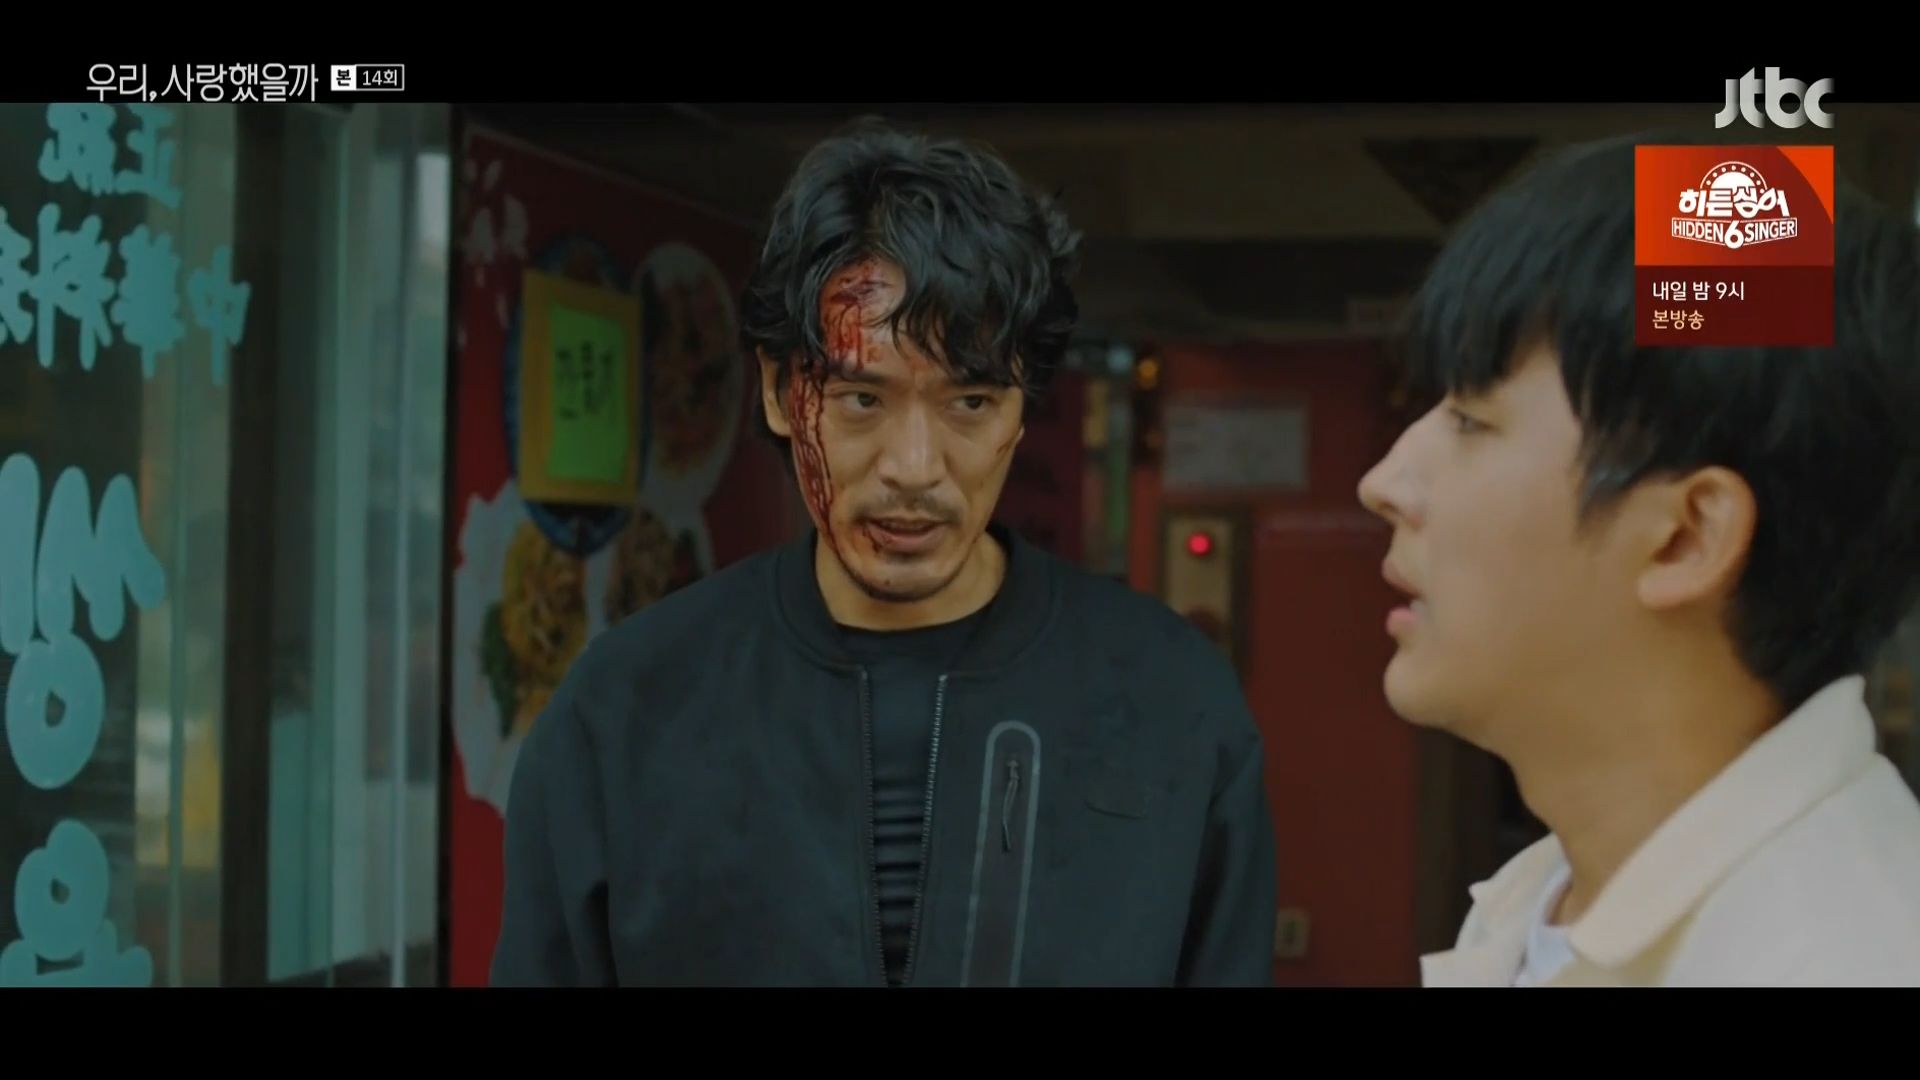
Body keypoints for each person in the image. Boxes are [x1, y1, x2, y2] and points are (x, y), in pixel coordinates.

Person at [490, 119, 1277, 987]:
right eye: (862, 399)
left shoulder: (1169, 700)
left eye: (970, 402)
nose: (914, 468)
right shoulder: (625, 713)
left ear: (1022, 410)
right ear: (780, 392)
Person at [1359, 133, 1920, 987]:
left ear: (1685, 537)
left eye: (1472, 420)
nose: (1382, 484)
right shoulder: (1542, 900)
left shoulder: (1844, 958)